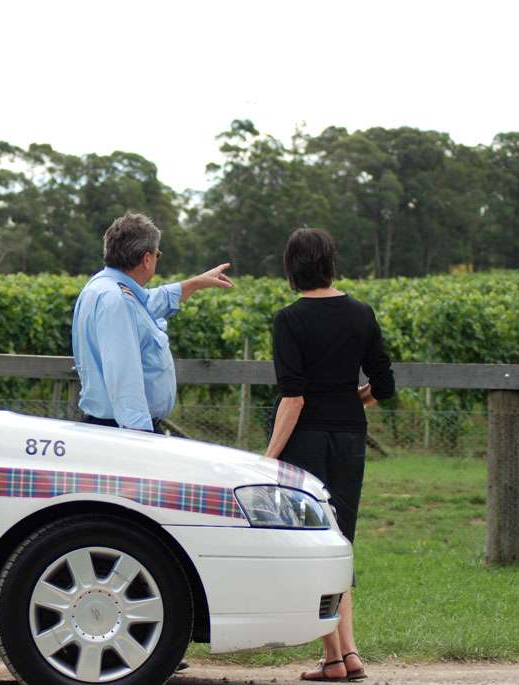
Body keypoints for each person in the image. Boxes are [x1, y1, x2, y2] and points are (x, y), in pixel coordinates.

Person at [265, 228, 394, 683]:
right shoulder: (361, 313)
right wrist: (350, 398)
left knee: (313, 544)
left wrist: (268, 456)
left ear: (292, 267)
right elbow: (385, 385)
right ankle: (347, 655)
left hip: (305, 442)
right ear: (329, 262)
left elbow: (293, 398)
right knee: (339, 543)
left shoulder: (289, 319)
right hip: (350, 439)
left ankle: (335, 659)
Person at [72, 211, 233, 432]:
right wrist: (142, 438)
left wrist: (196, 283)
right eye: (158, 254)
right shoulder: (117, 301)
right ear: (147, 259)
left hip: (114, 426)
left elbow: (149, 303)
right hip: (125, 430)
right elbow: (124, 379)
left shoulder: (104, 289)